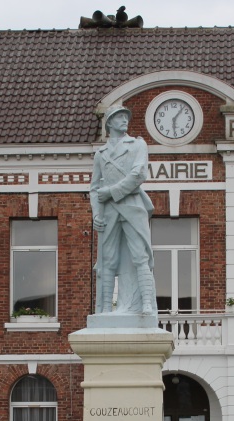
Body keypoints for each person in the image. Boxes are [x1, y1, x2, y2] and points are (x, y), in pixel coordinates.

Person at [91, 105, 156, 315]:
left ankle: (146, 303)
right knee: (107, 260)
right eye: (118, 117)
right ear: (109, 123)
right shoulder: (100, 154)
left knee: (140, 255)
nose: (124, 120)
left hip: (132, 205)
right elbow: (93, 188)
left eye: (125, 117)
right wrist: (95, 214)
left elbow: (138, 175)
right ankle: (105, 308)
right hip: (108, 211)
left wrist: (111, 192)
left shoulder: (138, 145)